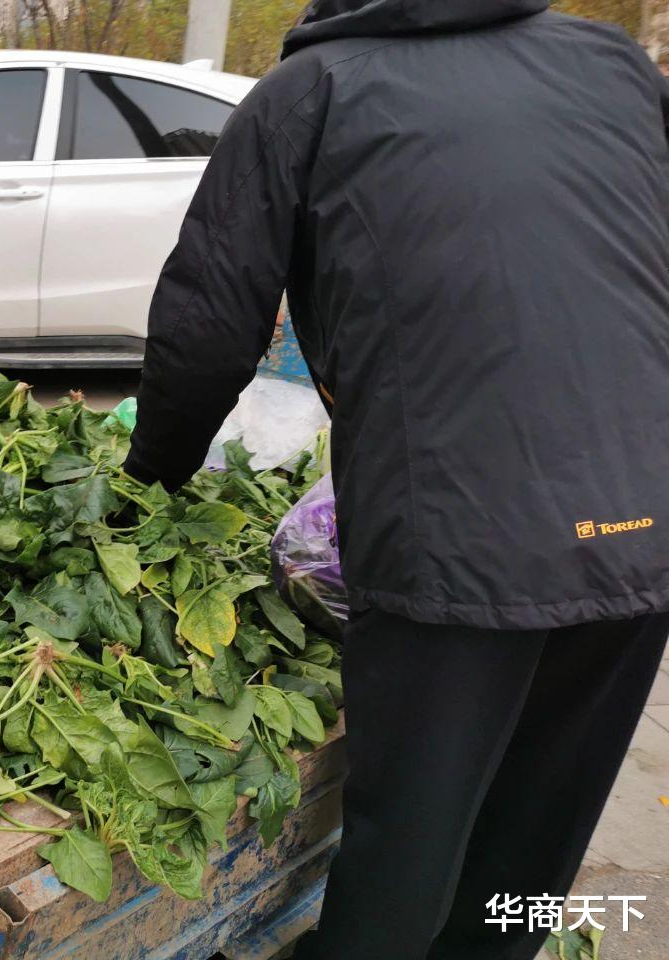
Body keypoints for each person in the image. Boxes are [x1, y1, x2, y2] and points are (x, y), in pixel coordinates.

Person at [126, 2, 669, 958]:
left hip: (458, 534)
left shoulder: (311, 91)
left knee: (405, 845)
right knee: (541, 831)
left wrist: (149, 483)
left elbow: (208, 325)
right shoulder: (614, 62)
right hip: (647, 514)